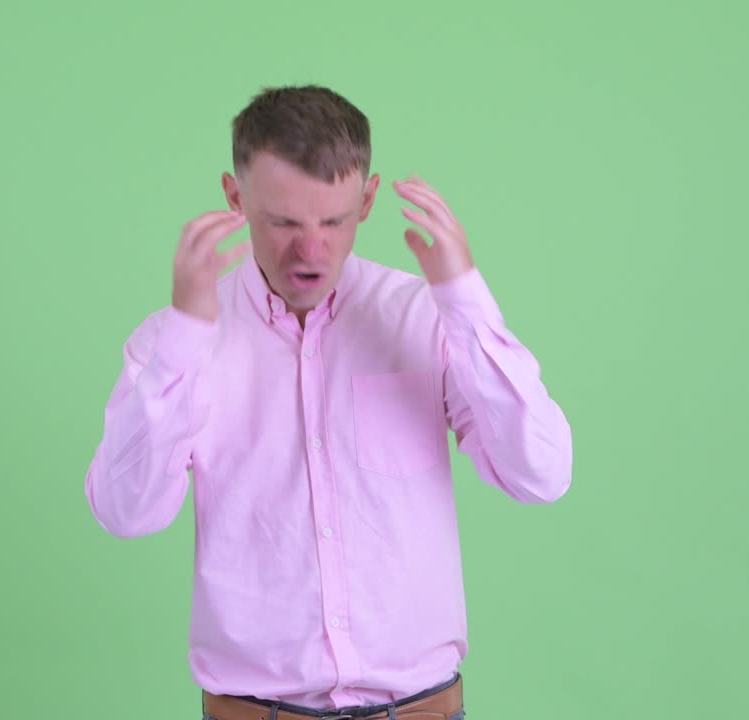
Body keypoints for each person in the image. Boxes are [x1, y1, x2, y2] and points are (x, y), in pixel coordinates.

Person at [83, 84, 572, 720]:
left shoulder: (424, 318)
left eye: (334, 221)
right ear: (235, 197)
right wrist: (185, 337)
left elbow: (541, 474)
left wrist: (464, 298)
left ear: (367, 200)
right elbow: (125, 512)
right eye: (284, 222)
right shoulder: (173, 342)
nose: (310, 251)